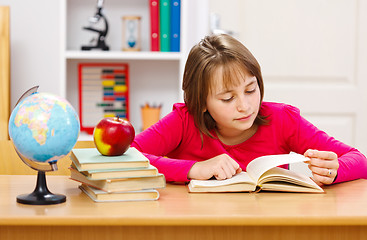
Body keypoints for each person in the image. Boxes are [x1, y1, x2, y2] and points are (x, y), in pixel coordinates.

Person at [131, 34, 367, 186]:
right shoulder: (183, 121)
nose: (245, 106)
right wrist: (194, 168)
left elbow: (360, 160)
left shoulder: (283, 119)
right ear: (201, 102)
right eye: (227, 98)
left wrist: (334, 171)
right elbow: (128, 156)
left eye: (251, 90)